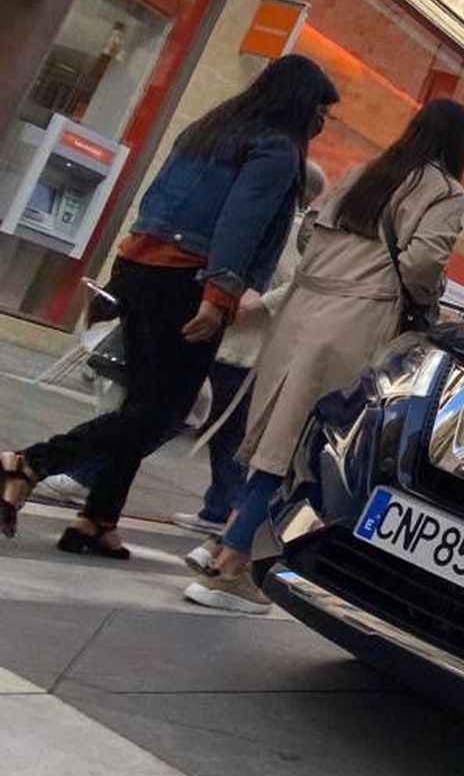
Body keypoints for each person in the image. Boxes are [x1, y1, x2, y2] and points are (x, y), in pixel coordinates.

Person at [1, 56, 338, 554]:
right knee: (164, 412)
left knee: (142, 401)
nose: (322, 122)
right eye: (321, 109)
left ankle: (97, 520)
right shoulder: (276, 148)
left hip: (141, 265)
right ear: (299, 102)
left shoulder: (210, 128)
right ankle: (27, 463)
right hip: (191, 282)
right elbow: (240, 225)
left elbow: (159, 197)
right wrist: (219, 296)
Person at [184, 98, 464, 613]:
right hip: (356, 317)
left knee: (274, 431)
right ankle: (233, 567)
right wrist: (424, 301)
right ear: (459, 146)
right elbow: (424, 262)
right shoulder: (444, 191)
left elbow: (306, 233)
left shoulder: (367, 170)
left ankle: (221, 542)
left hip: (304, 307)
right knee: (307, 443)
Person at [37, 163, 327, 532]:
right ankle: (222, 508)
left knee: (163, 416)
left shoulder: (285, 224)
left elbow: (296, 280)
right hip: (239, 345)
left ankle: (85, 475)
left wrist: (257, 301)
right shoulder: (281, 222)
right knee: (222, 430)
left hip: (231, 342)